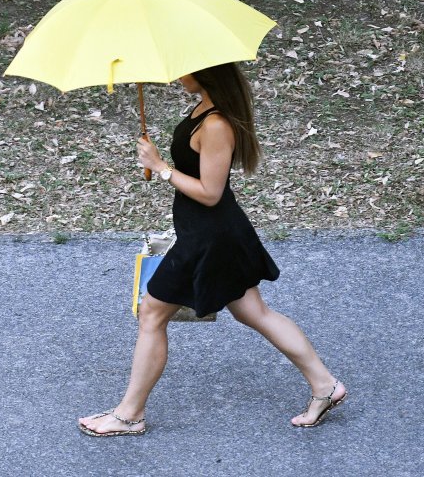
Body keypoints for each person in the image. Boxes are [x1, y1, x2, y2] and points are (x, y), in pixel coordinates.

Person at [78, 62, 346, 437]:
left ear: (207, 73)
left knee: (153, 314)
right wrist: (161, 164)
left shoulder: (217, 124)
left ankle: (129, 414)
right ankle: (326, 385)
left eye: (184, 69)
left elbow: (210, 193)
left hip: (211, 237)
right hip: (207, 233)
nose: (175, 75)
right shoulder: (201, 108)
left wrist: (161, 168)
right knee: (255, 312)